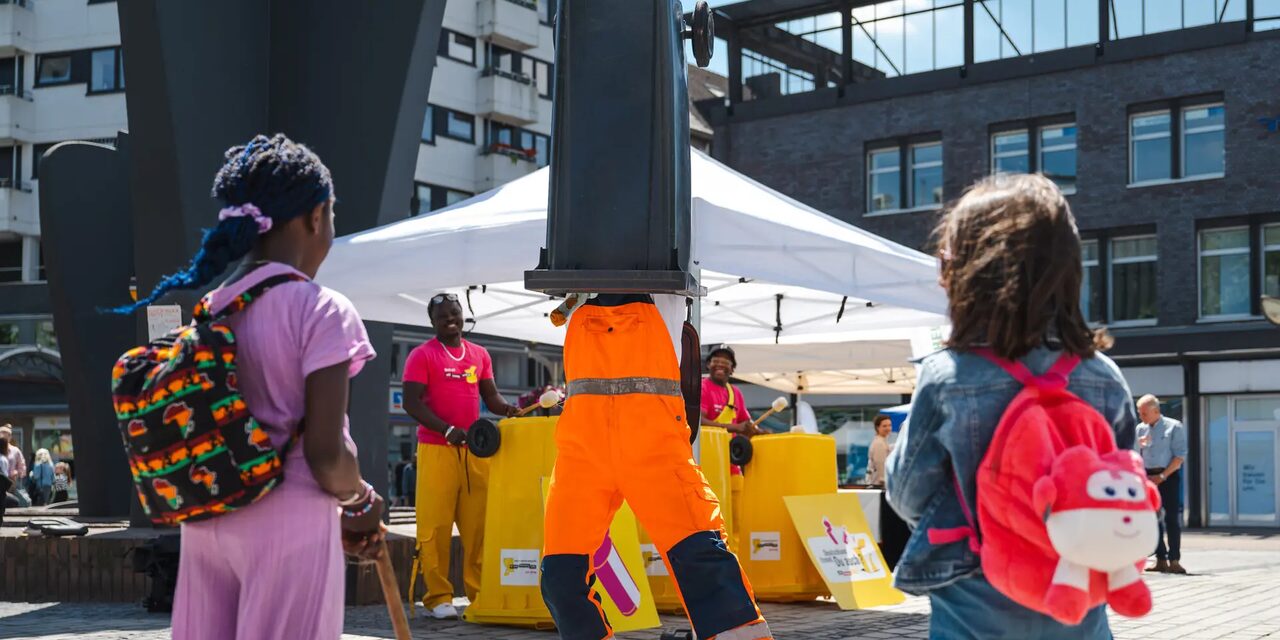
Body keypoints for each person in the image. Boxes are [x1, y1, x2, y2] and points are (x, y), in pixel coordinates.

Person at [114, 134, 385, 640]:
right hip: (290, 524)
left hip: (209, 519)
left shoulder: (212, 308)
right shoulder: (322, 309)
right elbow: (326, 456)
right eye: (331, 216)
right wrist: (361, 503)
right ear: (315, 217)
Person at [886, 174, 1136, 640]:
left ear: (966, 273)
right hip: (1077, 587)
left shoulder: (949, 375)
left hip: (975, 591)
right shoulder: (1102, 375)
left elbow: (906, 494)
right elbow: (1125, 484)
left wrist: (986, 523)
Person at [402, 294, 518, 619]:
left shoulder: (479, 354)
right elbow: (411, 402)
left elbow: (491, 397)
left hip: (474, 452)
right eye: (443, 316)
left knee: (478, 527)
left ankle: (479, 594)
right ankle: (438, 597)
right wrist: (446, 429)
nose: (450, 320)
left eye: (455, 314)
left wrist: (510, 410)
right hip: (436, 450)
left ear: (463, 315)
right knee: (435, 526)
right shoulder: (422, 355)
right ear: (432, 321)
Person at [1135, 394, 1187, 575]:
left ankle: (1174, 559)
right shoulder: (1140, 429)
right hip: (1148, 478)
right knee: (1151, 520)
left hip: (1168, 476)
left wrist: (1163, 476)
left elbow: (1180, 456)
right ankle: (1160, 558)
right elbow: (1135, 455)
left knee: (1171, 518)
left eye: (1144, 413)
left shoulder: (1174, 427)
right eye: (1139, 413)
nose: (1141, 416)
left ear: (1156, 411)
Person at [700, 345, 757, 435]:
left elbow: (745, 424)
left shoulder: (736, 393)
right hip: (707, 443)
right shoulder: (701, 387)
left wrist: (760, 432)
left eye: (725, 362)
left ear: (732, 369)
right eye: (716, 361)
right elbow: (699, 421)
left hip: (729, 444)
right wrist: (734, 427)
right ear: (708, 365)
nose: (720, 364)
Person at [863, 414, 892, 487]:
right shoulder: (879, 443)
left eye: (889, 425)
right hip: (879, 485)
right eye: (884, 426)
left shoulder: (882, 441)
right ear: (877, 427)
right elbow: (881, 465)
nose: (888, 428)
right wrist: (884, 481)